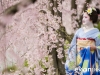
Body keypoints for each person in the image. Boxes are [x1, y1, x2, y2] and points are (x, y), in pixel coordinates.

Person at [65, 7, 100, 75]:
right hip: (78, 58)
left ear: (92, 19)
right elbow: (73, 45)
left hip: (90, 59)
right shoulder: (79, 31)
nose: (83, 19)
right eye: (83, 17)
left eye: (85, 17)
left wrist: (93, 48)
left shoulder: (97, 34)